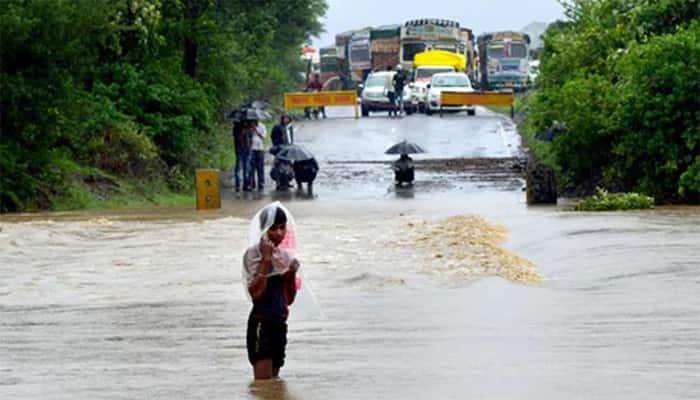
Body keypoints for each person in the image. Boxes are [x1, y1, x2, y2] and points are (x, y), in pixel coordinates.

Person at [243, 204, 300, 380]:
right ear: (263, 229)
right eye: (273, 228)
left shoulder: (285, 257)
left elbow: (288, 299)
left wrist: (290, 274)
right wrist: (266, 259)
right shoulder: (253, 255)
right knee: (262, 385)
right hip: (262, 323)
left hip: (279, 323)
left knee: (274, 386)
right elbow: (256, 294)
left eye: (282, 227)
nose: (279, 233)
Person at [233, 120, 252, 192]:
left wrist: (250, 147)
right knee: (238, 168)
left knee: (246, 168)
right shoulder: (236, 127)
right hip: (239, 150)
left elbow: (251, 139)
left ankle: (245, 185)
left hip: (247, 151)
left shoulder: (249, 127)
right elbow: (238, 138)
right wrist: (243, 132)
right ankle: (237, 185)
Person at [249, 120, 266, 192]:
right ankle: (252, 184)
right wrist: (251, 130)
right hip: (251, 148)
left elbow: (263, 137)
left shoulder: (262, 126)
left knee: (260, 167)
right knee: (251, 168)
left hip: (260, 148)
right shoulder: (249, 126)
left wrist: (256, 130)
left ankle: (261, 184)